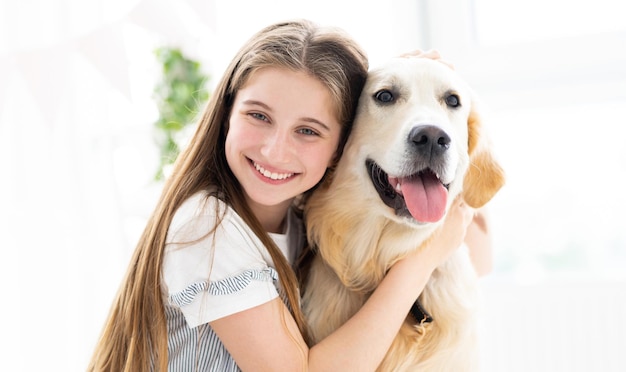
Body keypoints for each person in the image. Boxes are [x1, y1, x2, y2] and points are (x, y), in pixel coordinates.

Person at [88, 19, 475, 372]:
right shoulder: (208, 227)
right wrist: (421, 262)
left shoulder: (300, 213)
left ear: (341, 146)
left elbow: (481, 250)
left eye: (307, 131)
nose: (275, 151)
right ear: (226, 113)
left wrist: (420, 92)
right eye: (259, 116)